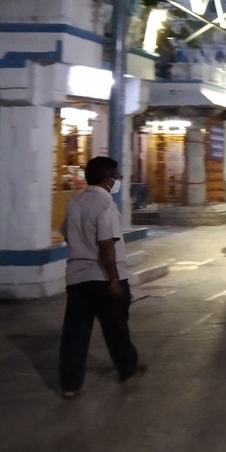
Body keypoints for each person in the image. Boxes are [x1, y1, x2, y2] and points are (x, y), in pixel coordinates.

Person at [58, 156, 145, 398]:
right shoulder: (106, 204)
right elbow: (106, 245)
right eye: (116, 177)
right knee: (116, 326)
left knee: (75, 332)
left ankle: (70, 385)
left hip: (77, 278)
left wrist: (81, 250)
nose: (117, 181)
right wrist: (114, 279)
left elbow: (66, 233)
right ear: (107, 180)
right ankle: (128, 370)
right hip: (104, 277)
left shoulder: (75, 203)